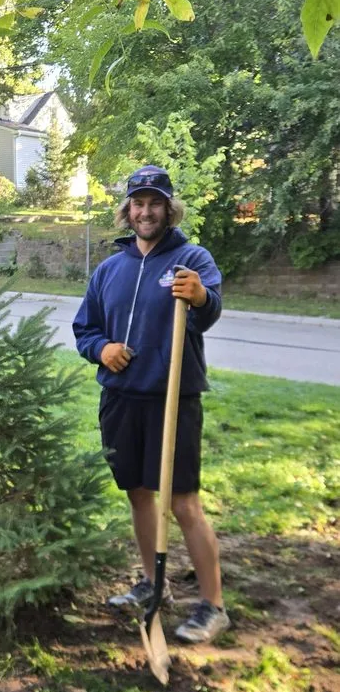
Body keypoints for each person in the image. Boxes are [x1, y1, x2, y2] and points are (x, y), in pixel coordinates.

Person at [73, 165, 230, 643]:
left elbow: (211, 310)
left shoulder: (190, 259)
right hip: (121, 399)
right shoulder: (109, 268)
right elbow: (86, 328)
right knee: (138, 494)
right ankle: (152, 585)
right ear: (128, 210)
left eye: (154, 203)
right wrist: (102, 349)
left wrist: (200, 295)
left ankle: (213, 606)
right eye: (138, 203)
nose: (146, 211)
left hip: (172, 399)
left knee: (183, 502)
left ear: (168, 208)